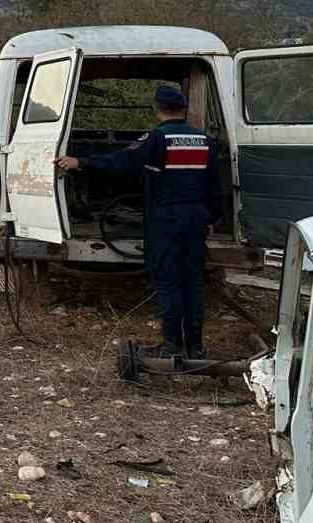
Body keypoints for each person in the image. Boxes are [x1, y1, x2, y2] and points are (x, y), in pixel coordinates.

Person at [56, 85, 219, 360]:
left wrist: (80, 162)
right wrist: (212, 218)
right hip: (195, 219)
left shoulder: (157, 138)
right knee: (193, 282)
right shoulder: (203, 139)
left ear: (158, 110)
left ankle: (171, 346)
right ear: (184, 110)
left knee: (168, 281)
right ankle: (195, 346)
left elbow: (122, 161)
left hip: (166, 219)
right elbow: (214, 184)